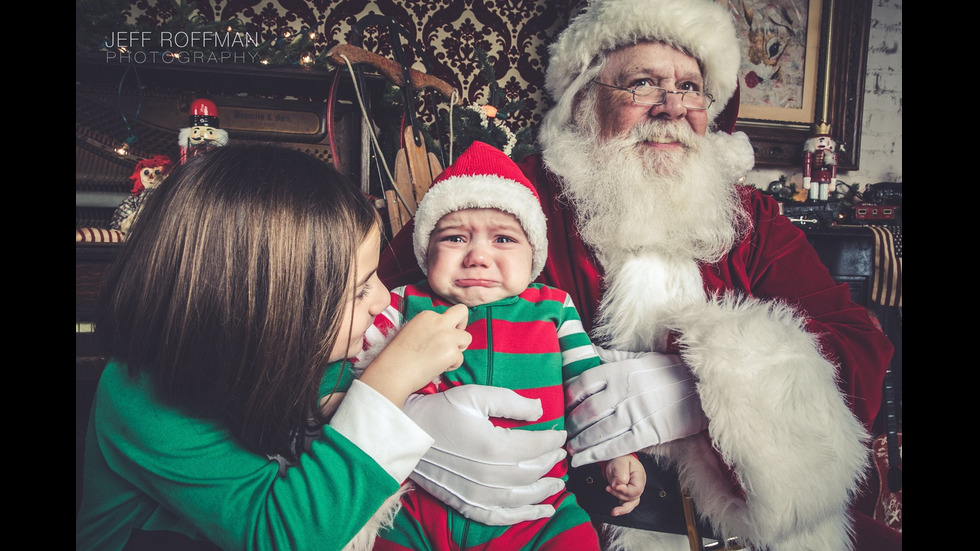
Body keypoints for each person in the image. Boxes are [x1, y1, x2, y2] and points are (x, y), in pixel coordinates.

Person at [377, 0, 897, 549]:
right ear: (583, 102)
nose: (672, 108)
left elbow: (860, 345)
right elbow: (356, 314)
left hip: (736, 528)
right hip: (545, 522)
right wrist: (411, 425)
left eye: (691, 87)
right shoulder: (508, 200)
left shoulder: (752, 218)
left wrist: (713, 391)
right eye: (643, 84)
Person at [75, 144, 476, 551]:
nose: (382, 300)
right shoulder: (142, 399)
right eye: (358, 291)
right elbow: (284, 537)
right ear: (266, 310)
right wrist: (391, 379)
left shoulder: (296, 351)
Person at [324, 142, 646, 550]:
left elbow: (590, 390)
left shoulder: (554, 308)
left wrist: (617, 453)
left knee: (576, 540)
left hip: (536, 506)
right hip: (419, 501)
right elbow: (343, 360)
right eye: (456, 237)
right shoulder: (403, 301)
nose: (477, 255)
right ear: (426, 251)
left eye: (504, 239)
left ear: (534, 255)